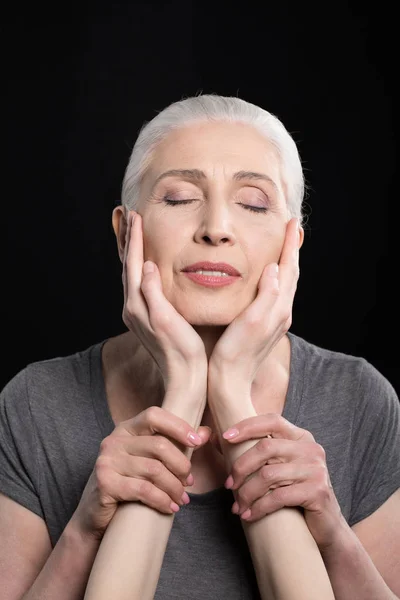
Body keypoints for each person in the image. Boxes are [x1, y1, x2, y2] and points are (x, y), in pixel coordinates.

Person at [0, 94, 399, 600]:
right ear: (126, 234)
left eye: (253, 203)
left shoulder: (358, 399)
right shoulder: (36, 403)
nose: (216, 228)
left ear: (291, 244)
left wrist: (333, 532)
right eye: (179, 198)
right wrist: (84, 529)